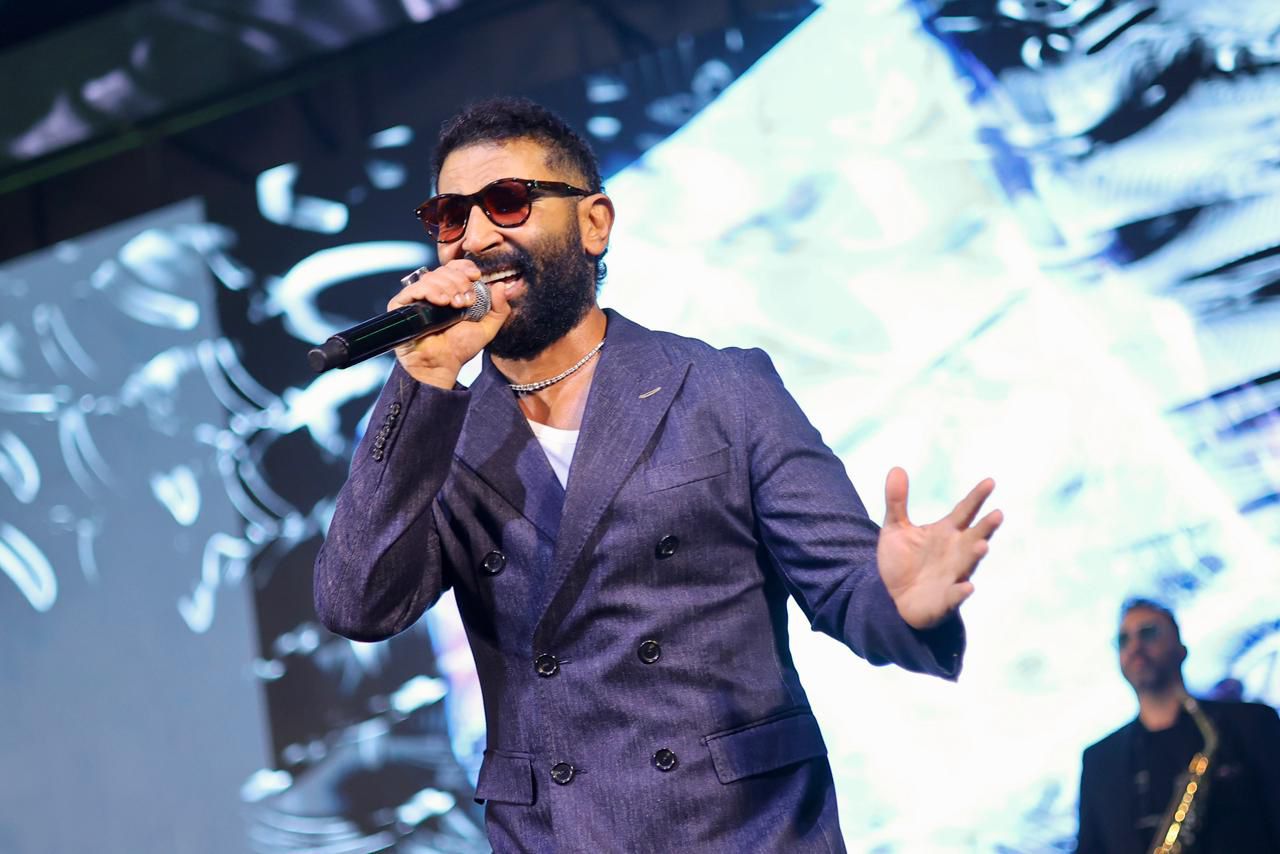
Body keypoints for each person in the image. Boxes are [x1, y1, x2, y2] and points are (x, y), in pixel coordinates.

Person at [314, 95, 1003, 852]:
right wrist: (422, 376)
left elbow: (846, 587)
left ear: (594, 223)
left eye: (507, 202)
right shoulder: (438, 431)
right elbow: (358, 604)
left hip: (749, 830)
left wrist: (902, 603)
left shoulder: (721, 389)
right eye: (451, 216)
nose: (475, 237)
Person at [1076, 598, 1280, 853]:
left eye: (1148, 632)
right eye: (1123, 640)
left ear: (1181, 648)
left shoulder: (1252, 723)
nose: (1135, 646)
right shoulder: (1098, 759)